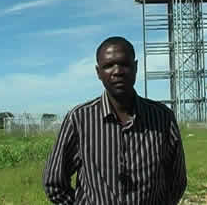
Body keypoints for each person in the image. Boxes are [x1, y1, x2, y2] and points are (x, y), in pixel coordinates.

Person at [43, 36, 187, 205]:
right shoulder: (79, 119)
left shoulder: (162, 117)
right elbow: (54, 183)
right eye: (108, 66)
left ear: (136, 67)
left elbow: (177, 181)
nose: (117, 71)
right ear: (98, 72)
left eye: (124, 64)